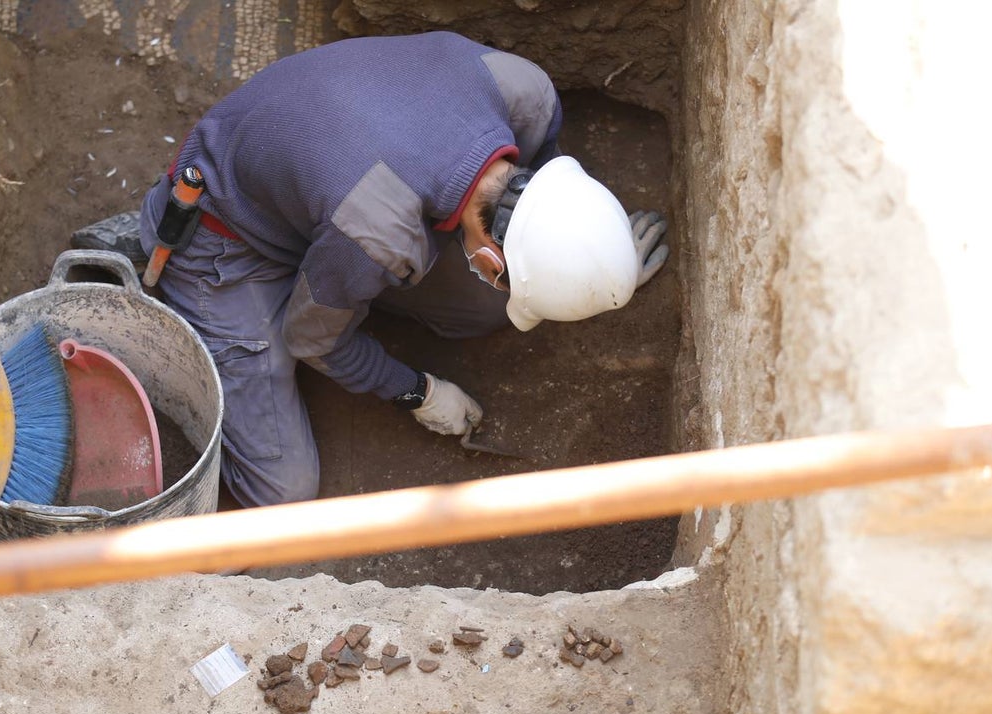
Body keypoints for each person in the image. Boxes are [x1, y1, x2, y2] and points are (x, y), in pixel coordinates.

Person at [138, 31, 669, 508]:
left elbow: (541, 202)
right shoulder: (380, 233)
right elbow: (313, 341)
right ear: (488, 257)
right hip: (225, 236)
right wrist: (418, 391)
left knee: (487, 306)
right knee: (284, 492)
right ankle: (158, 263)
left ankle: (331, 276)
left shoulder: (527, 93)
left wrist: (597, 266)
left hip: (324, 174)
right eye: (499, 271)